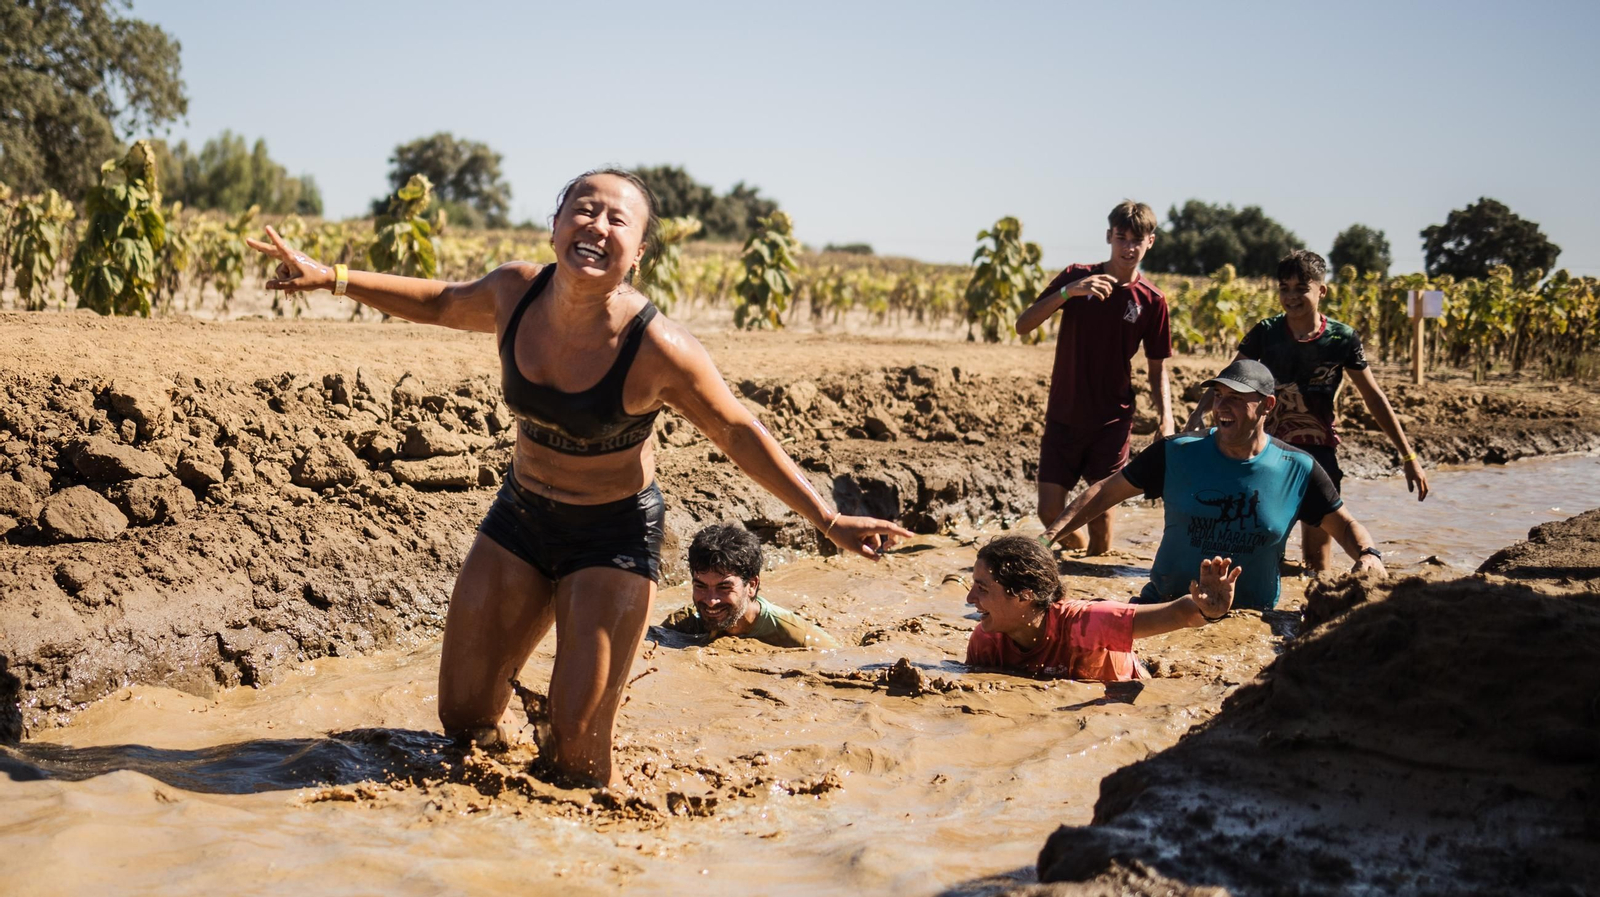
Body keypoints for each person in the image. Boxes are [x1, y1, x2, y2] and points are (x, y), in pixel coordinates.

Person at [245, 169, 910, 787]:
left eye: (616, 219)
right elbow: (444, 302)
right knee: (464, 719)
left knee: (577, 756)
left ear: (640, 251)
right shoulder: (514, 292)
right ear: (556, 223)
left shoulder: (659, 348)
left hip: (611, 537)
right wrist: (332, 276)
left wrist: (828, 518)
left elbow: (736, 430)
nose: (596, 225)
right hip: (521, 518)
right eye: (583, 209)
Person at [1045, 359, 1386, 611]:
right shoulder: (1176, 452)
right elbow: (1105, 492)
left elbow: (1345, 526)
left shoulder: (1297, 469)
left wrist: (1369, 555)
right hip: (1163, 609)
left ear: (1268, 405)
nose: (1222, 405)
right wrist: (1047, 539)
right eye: (1219, 396)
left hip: (1249, 619)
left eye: (1236, 398)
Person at [1184, 249, 1428, 573]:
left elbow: (1373, 396)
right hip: (1268, 453)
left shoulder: (1342, 339)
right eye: (1284, 288)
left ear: (1321, 290)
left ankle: (1312, 616)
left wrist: (1409, 457)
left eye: (1302, 288)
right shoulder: (1266, 332)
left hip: (1319, 455)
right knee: (1261, 553)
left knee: (1316, 562)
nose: (1291, 296)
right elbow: (1229, 377)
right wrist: (1197, 415)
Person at [1015, 200, 1175, 556]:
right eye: (1122, 238)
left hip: (1112, 420)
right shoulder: (1076, 275)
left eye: (1138, 239)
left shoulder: (1152, 300)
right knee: (1048, 511)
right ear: (1109, 237)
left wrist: (1167, 417)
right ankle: (1076, 549)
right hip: (1064, 412)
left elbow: (1157, 366)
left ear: (1151, 242)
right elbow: (1023, 325)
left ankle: (1096, 588)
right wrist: (1067, 292)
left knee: (1102, 525)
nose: (1129, 247)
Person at [964, 535, 1240, 680]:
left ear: (1025, 594)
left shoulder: (1088, 624)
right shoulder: (985, 643)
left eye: (983, 588)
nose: (969, 598)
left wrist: (1209, 610)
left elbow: (1178, 614)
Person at [655, 523, 839, 648]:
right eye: (701, 587)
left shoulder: (797, 637)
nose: (710, 601)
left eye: (724, 588)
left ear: (751, 585)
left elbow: (840, 660)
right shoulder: (684, 624)